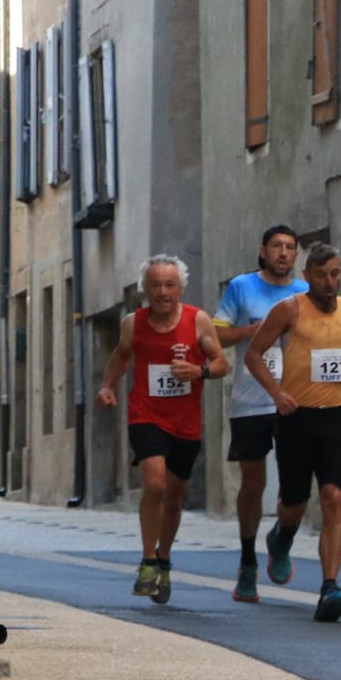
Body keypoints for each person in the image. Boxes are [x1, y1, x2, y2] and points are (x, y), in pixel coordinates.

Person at [242, 242, 341, 623]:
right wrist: (277, 392)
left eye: (335, 274)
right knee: (295, 504)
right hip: (296, 418)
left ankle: (330, 587)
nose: (329, 282)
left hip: (336, 418)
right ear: (308, 276)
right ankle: (281, 536)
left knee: (334, 496)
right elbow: (253, 354)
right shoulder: (289, 310)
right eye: (321, 275)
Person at [95, 255, 231, 604]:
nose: (162, 292)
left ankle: (164, 558)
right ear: (145, 289)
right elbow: (123, 355)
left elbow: (221, 363)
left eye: (169, 285)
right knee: (154, 482)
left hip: (185, 423)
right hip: (146, 415)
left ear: (180, 288)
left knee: (174, 498)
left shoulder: (197, 320)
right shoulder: (132, 323)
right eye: (155, 285)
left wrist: (197, 372)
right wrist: (108, 385)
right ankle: (147, 559)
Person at [210, 225, 306, 603]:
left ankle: (281, 539)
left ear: (296, 255)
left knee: (295, 484)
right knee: (253, 483)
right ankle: (248, 562)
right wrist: (252, 330)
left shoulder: (304, 294)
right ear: (263, 251)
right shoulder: (241, 287)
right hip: (251, 400)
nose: (283, 253)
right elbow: (215, 335)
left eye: (290, 247)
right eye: (277, 246)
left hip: (295, 399)